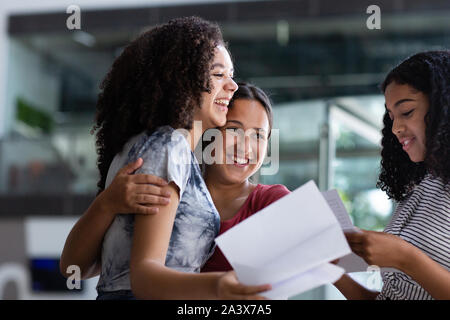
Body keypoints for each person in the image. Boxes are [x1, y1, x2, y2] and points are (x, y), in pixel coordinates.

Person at [61, 16, 272, 300]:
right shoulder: (169, 147)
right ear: (185, 79)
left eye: (231, 75)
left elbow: (75, 267)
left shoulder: (147, 144)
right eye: (219, 74)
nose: (232, 86)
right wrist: (218, 287)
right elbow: (144, 277)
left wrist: (106, 204)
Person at [334, 50, 450, 300]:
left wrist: (404, 257)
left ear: (443, 107)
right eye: (391, 117)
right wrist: (331, 268)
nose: (396, 128)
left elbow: (406, 258)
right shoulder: (424, 184)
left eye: (406, 112)